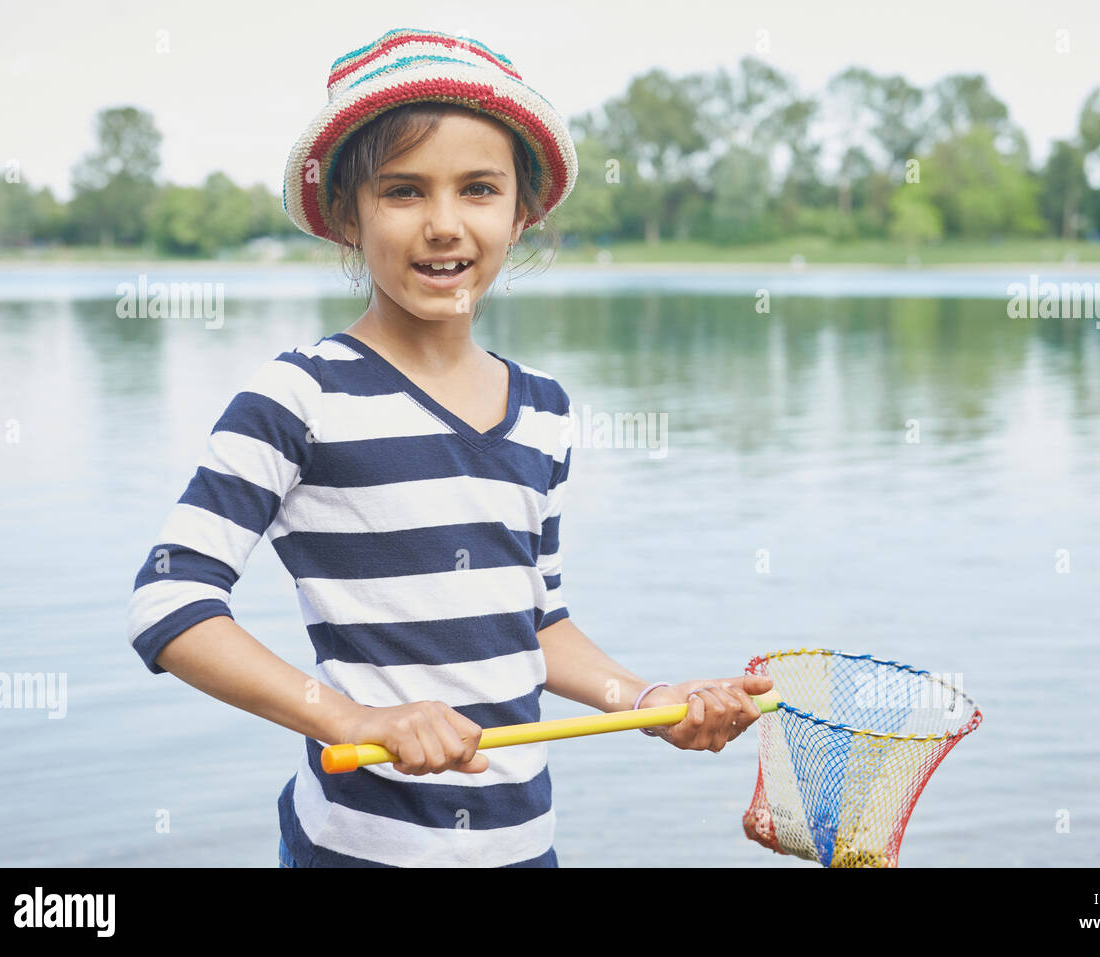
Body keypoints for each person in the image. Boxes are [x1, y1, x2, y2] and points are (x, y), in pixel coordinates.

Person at [127, 26, 773, 868]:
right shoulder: (299, 396)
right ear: (348, 217)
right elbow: (168, 604)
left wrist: (646, 696)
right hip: (357, 852)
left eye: (477, 189)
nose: (443, 225)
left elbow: (534, 624)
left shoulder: (542, 409)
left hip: (522, 847)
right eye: (402, 191)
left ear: (521, 213)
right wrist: (349, 719)